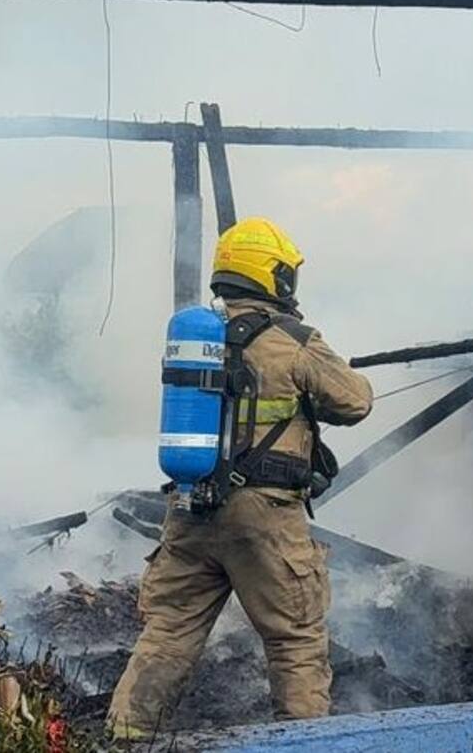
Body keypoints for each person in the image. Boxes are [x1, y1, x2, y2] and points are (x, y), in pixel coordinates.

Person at [107, 217, 373, 738]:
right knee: (295, 639)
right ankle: (302, 745)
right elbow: (355, 400)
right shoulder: (292, 340)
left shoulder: (196, 335)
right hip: (264, 516)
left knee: (167, 633)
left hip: (189, 507)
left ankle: (126, 738)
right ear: (273, 275)